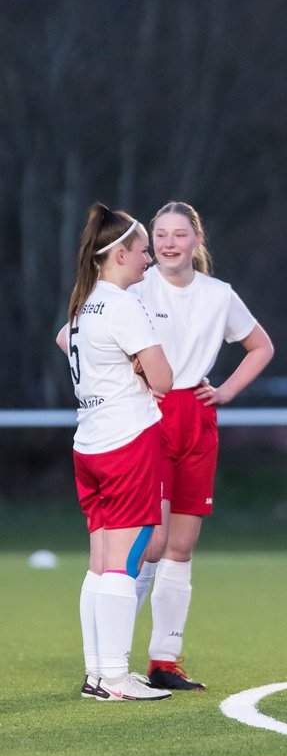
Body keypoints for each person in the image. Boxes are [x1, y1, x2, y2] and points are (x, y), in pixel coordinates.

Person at [124, 201, 274, 692]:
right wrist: (128, 372)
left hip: (196, 416)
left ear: (197, 241)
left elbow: (261, 346)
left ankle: (165, 660)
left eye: (179, 234)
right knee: (152, 541)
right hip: (149, 414)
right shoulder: (134, 289)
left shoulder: (218, 294)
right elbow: (70, 336)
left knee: (182, 547)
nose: (169, 243)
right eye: (160, 234)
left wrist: (227, 390)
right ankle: (112, 658)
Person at [58, 203, 174, 701]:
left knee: (100, 563)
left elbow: (65, 339)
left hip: (90, 443)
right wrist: (136, 366)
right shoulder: (123, 305)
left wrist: (119, 363)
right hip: (126, 443)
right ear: (120, 253)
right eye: (144, 250)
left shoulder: (83, 302)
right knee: (123, 564)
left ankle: (96, 675)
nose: (149, 260)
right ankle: (117, 677)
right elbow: (165, 379)